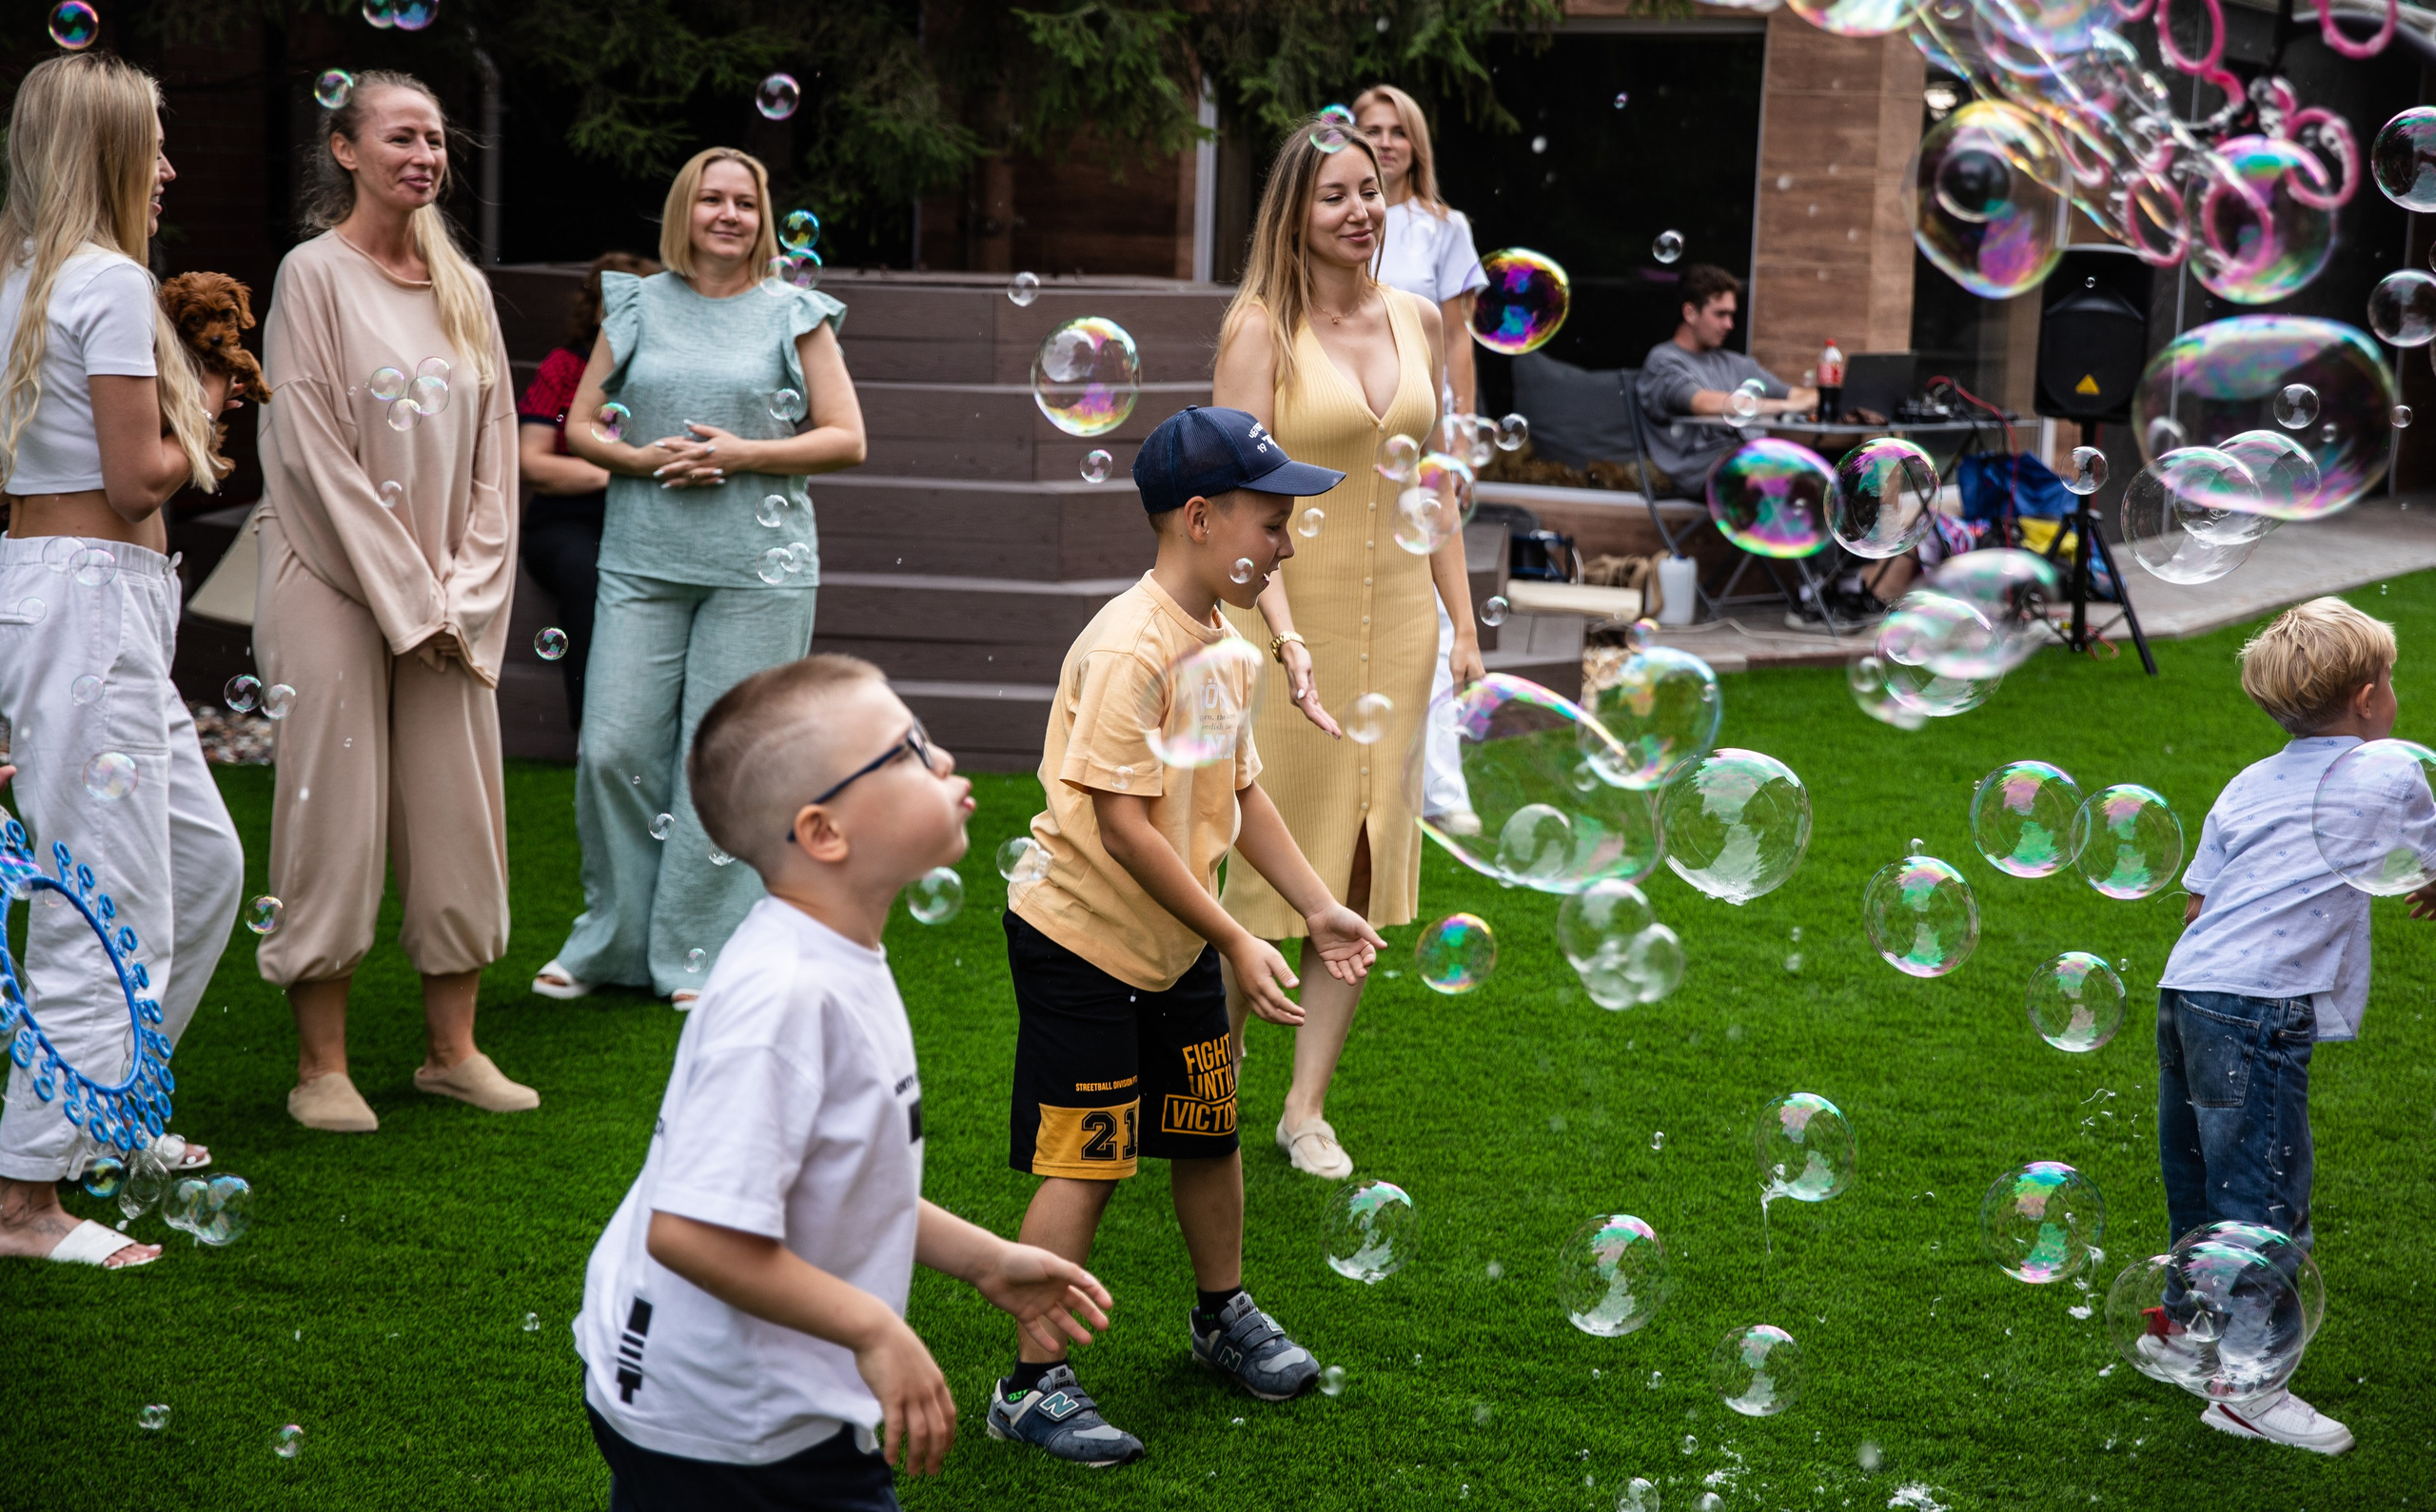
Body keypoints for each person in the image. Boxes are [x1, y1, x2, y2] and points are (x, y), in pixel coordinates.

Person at [578, 653, 1112, 1508]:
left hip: (739, 1399)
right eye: (906, 751)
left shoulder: (833, 952)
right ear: (825, 832)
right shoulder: (786, 996)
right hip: (730, 1427)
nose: (941, 761)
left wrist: (985, 1261)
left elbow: (839, 1180)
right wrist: (875, 1327)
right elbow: (690, 1231)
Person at [990, 405, 1380, 1465]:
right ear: (1200, 518)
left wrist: (1311, 907)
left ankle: (1221, 1313)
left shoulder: (1222, 640)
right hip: (1082, 941)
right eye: (1271, 521)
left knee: (1206, 1130)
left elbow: (1234, 792)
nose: (1285, 543)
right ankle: (1030, 1381)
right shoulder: (1129, 645)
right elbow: (1121, 825)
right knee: (1094, 1156)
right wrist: (1232, 937)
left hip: (1171, 941)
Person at [0, 52, 245, 1269]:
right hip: (89, 595)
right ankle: (22, 1199)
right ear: (104, 152)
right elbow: (134, 473)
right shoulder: (106, 281)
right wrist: (198, 417)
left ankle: (100, 1117)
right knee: (106, 904)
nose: (168, 166)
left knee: (201, 866)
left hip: (88, 598)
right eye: (152, 143)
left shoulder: (27, 277)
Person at [256, 69, 532, 1132]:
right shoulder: (310, 276)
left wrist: (463, 589)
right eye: (400, 136)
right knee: (333, 813)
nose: (423, 153)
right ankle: (321, 1065)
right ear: (346, 151)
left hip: (448, 598)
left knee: (456, 806)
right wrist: (410, 595)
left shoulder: (460, 284)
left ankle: (451, 1050)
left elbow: (495, 456)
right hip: (330, 578)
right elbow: (312, 450)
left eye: (435, 138)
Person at [533, 147, 866, 1009]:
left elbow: (845, 437)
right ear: (685, 211)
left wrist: (742, 452)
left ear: (763, 218)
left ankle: (699, 950)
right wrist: (638, 460)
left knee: (722, 760)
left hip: (758, 570)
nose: (728, 215)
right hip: (642, 560)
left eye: (745, 203)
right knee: (613, 747)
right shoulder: (636, 302)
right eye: (711, 199)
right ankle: (611, 940)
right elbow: (579, 428)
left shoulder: (797, 312)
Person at [1210, 116, 1478, 1180]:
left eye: (1370, 190)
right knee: (1259, 863)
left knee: (1359, 861)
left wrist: (1461, 628)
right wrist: (1282, 638)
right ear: (1294, 210)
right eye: (1334, 194)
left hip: (1399, 627)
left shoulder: (1415, 316)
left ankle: (1304, 1107)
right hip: (1286, 620)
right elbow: (1236, 503)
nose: (1359, 209)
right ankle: (1210, 1075)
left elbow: (1432, 487)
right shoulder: (1258, 331)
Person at [2146, 598, 2436, 1455]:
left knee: (2197, 1182)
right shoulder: (2388, 771)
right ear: (2368, 696)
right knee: (2264, 1204)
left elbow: (2199, 900)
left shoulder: (2247, 782)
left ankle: (2186, 1331)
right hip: (2258, 1010)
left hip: (2186, 989)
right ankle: (2250, 1387)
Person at [1355, 82, 1488, 834]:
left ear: (1416, 143)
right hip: (1350, 425)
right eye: (1371, 128)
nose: (1386, 141)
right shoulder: (1342, 216)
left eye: (1397, 129)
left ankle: (1443, 787)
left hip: (1418, 430)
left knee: (1438, 606)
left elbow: (1458, 336)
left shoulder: (1442, 227)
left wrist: (1462, 434)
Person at [1636, 265, 1913, 625]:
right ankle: (1809, 596)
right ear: (1690, 312)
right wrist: (1788, 406)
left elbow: (1791, 393)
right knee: (1804, 477)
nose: (1729, 324)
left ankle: (1848, 585)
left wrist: (1838, 399)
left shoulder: (1733, 362)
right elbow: (1704, 402)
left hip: (1750, 459)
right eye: (1720, 314)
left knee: (1853, 468)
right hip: (1699, 469)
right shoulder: (1664, 361)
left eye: (1732, 314)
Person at [517, 250, 661, 730]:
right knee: (588, 573)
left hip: (646, 519)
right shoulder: (564, 368)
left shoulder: (662, 373)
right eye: (612, 302)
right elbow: (532, 462)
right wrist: (623, 471)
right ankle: (594, 733)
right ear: (594, 308)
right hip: (566, 522)